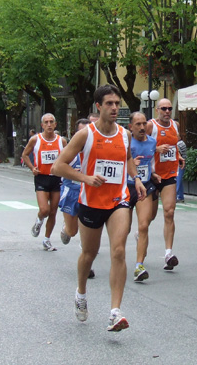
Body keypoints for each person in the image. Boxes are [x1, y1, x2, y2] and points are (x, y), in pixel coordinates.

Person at [51, 84, 146, 332]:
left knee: (118, 251)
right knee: (88, 254)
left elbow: (126, 160)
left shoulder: (125, 135)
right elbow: (58, 167)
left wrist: (135, 179)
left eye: (117, 104)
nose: (115, 108)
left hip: (119, 199)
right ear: (98, 106)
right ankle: (81, 292)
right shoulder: (86, 135)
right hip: (91, 201)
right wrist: (85, 178)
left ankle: (115, 312)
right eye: (109, 104)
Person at [147, 98, 185, 271]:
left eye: (169, 108)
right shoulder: (150, 126)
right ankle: (141, 234)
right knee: (149, 217)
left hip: (169, 175)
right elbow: (137, 145)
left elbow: (173, 146)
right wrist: (155, 150)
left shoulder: (175, 125)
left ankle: (169, 253)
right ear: (157, 110)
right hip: (152, 176)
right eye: (164, 108)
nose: (167, 111)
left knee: (169, 212)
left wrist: (178, 157)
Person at [57, 118, 96, 279]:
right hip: (71, 192)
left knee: (87, 230)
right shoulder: (70, 151)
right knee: (72, 231)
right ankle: (65, 229)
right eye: (82, 132)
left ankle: (88, 266)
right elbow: (57, 169)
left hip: (88, 194)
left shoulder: (95, 151)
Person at [22, 114, 67, 252]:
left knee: (53, 212)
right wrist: (32, 168)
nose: (49, 124)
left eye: (51, 122)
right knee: (44, 210)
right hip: (41, 177)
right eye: (46, 122)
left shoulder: (62, 141)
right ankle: (39, 221)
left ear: (55, 124)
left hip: (56, 178)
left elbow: (68, 157)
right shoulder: (36, 139)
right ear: (42, 125)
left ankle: (46, 240)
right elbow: (24, 155)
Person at [127, 111, 159, 282]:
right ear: (130, 127)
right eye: (138, 124)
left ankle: (139, 265)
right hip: (125, 188)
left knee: (144, 225)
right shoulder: (126, 142)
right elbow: (117, 162)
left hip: (144, 187)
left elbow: (150, 162)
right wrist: (131, 164)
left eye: (144, 123)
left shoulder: (152, 142)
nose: (141, 127)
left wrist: (153, 174)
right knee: (124, 229)